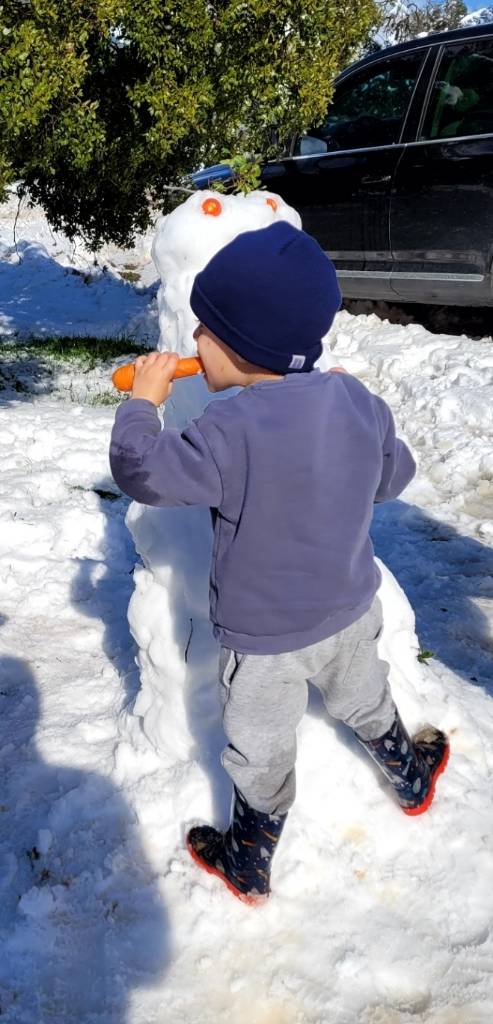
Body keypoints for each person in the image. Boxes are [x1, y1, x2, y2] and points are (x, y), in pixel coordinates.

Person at [109, 221, 449, 906]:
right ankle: (410, 779)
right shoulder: (355, 401)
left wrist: (142, 404)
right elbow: (393, 477)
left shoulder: (227, 430)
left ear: (244, 345)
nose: (193, 338)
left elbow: (143, 472)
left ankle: (248, 857)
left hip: (263, 641)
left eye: (206, 328)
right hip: (348, 610)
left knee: (259, 747)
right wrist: (363, 421)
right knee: (364, 696)